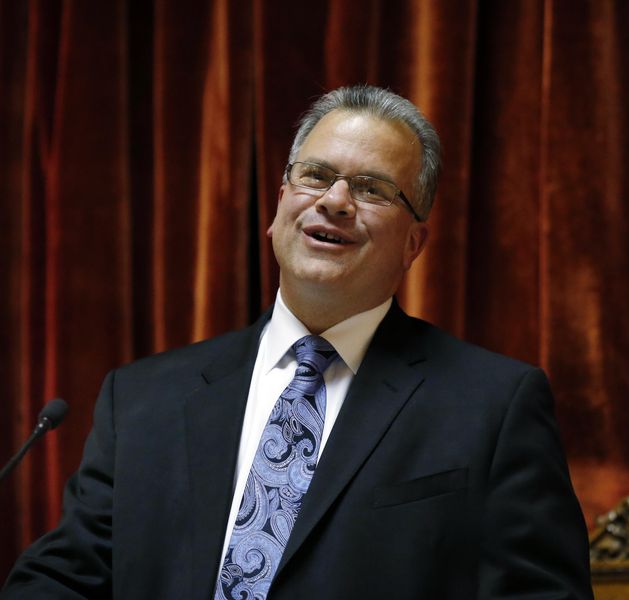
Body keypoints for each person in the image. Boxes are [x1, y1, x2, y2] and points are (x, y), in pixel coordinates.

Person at [2, 85, 593, 599]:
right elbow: (64, 581)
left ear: (414, 244)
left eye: (372, 188)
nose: (334, 201)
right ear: (280, 204)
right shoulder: (139, 401)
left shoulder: (493, 406)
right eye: (314, 175)